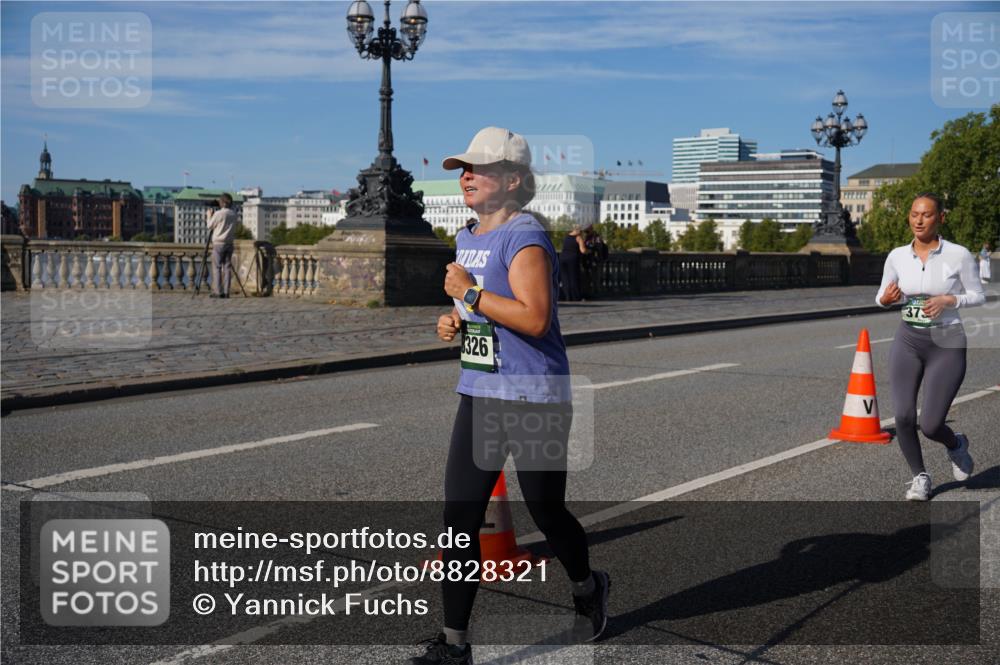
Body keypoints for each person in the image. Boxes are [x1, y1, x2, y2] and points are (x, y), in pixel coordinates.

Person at [414, 127, 609, 665]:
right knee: (459, 519)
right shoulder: (468, 237)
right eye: (462, 170)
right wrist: (456, 318)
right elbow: (483, 311)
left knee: (546, 510)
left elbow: (534, 316)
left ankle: (589, 586)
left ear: (514, 179)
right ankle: (454, 645)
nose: (466, 176)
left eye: (478, 168)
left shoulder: (526, 236)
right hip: (480, 392)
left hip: (535, 394)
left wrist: (469, 293)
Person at [875, 193, 985, 501]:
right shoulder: (897, 255)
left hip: (947, 342)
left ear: (940, 218)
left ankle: (955, 444)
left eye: (926, 215)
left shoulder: (959, 255)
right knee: (904, 416)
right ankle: (919, 477)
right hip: (908, 340)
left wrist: (950, 300)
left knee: (932, 423)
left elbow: (978, 295)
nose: (918, 220)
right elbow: (882, 294)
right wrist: (885, 300)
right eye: (913, 214)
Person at [206, 193, 238, 298]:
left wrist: (209, 216)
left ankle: (218, 291)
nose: (219, 203)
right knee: (227, 268)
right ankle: (226, 292)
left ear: (223, 202)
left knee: (217, 267)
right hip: (229, 243)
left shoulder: (219, 213)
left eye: (220, 202)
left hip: (219, 243)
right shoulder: (233, 214)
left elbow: (210, 226)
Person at [559, 226, 587, 301]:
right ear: (578, 230)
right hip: (572, 259)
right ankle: (575, 297)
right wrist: (588, 250)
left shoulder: (566, 237)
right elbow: (583, 250)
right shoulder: (578, 238)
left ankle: (567, 296)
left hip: (562, 259)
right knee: (573, 278)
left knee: (565, 279)